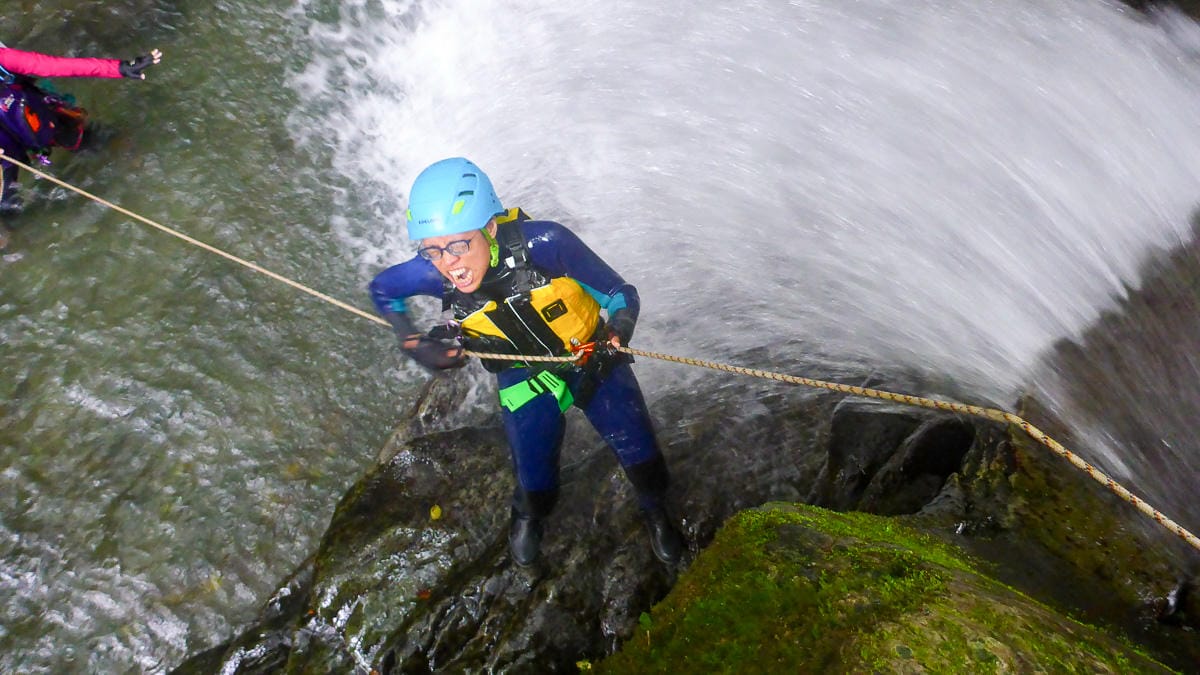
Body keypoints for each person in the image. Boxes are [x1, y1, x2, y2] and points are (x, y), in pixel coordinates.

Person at [369, 157, 686, 567]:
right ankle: (529, 515)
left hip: (591, 358)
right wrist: (411, 342)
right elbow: (382, 290)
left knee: (641, 454)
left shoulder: (548, 244)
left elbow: (620, 293)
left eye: (459, 245)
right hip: (522, 376)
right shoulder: (435, 273)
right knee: (534, 478)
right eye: (432, 251)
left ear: (490, 228)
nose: (450, 264)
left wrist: (617, 331)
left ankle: (655, 510)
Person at [0, 44, 162, 214]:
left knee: (96, 140)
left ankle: (136, 162)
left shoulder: (3, 59)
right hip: (7, 150)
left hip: (41, 120)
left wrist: (120, 68)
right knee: (7, 209)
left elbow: (56, 66)